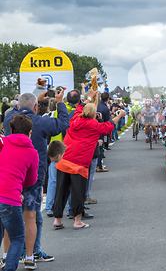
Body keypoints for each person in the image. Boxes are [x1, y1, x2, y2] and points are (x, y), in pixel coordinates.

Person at [3, 90, 69, 269]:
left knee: (10, 219)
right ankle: (30, 257)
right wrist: (59, 101)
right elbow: (63, 123)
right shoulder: (41, 122)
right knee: (31, 216)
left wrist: (34, 102)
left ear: (17, 106)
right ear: (35, 107)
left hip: (10, 176)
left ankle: (6, 256)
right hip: (33, 175)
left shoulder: (10, 120)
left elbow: (18, 112)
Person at [53, 90, 126, 230]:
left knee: (61, 191)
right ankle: (77, 221)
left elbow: (80, 106)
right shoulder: (94, 126)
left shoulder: (74, 119)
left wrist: (90, 96)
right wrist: (120, 116)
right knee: (78, 193)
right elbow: (109, 126)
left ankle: (57, 219)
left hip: (64, 160)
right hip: (79, 164)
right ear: (94, 115)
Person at [0, 115, 39, 271]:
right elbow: (30, 181)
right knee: (17, 238)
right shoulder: (32, 153)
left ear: (11, 129)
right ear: (30, 133)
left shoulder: (2, 143)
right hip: (10, 198)